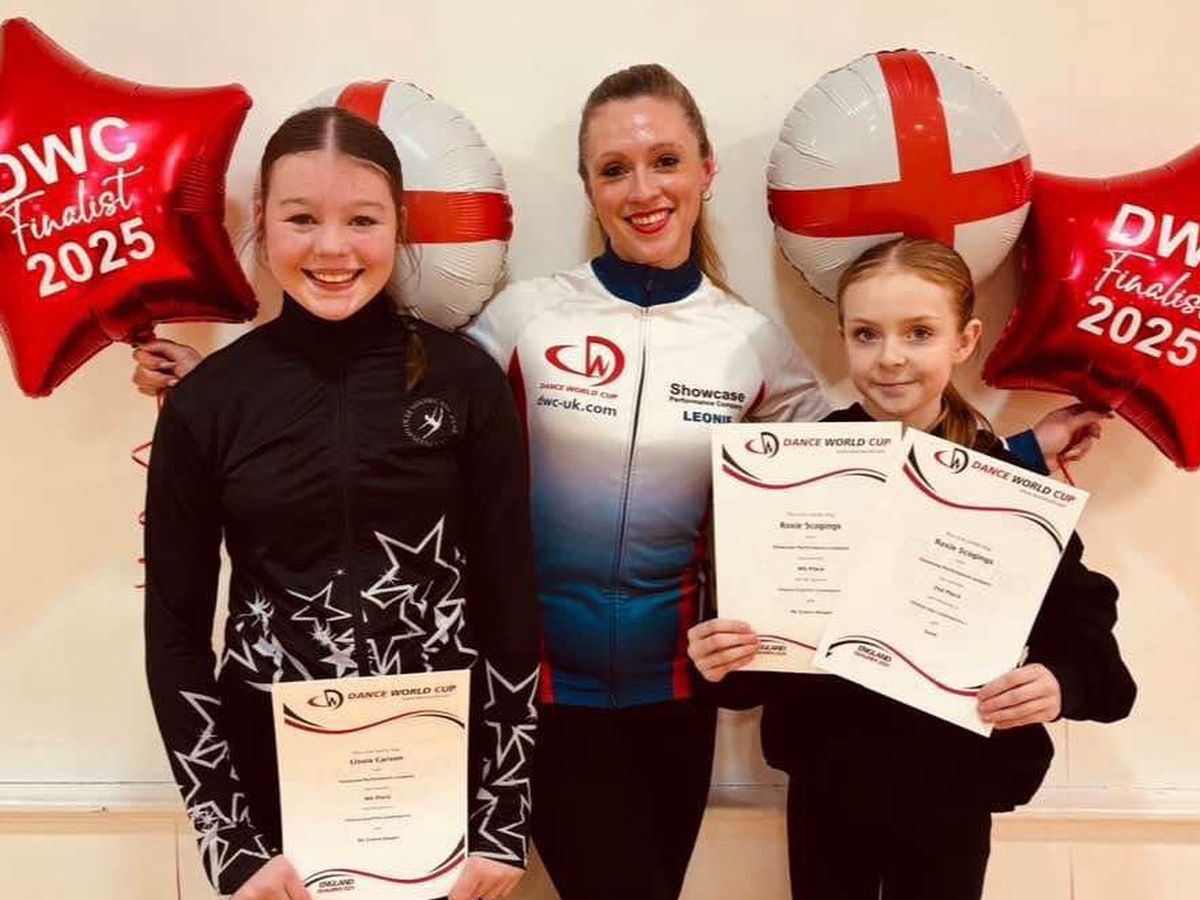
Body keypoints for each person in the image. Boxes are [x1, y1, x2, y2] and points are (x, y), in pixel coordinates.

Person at [135, 68, 1103, 900]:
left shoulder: (752, 342)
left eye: (666, 159)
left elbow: (868, 469)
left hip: (674, 700)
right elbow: (368, 400)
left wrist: (1020, 457)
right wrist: (206, 388)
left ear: (706, 170)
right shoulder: (522, 322)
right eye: (613, 168)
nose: (643, 188)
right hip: (534, 703)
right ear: (588, 186)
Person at [143, 106, 538, 900]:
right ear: (262, 221)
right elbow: (175, 633)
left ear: (399, 224)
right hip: (273, 804)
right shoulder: (209, 403)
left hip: (443, 791)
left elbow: (511, 601)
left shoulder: (466, 384)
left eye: (362, 219)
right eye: (301, 218)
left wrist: (504, 814)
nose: (332, 248)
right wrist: (230, 839)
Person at [687, 236, 1136, 900]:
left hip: (953, 793)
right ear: (843, 338)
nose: (891, 357)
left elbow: (1091, 642)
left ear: (964, 340)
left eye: (919, 333)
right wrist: (720, 655)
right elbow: (744, 675)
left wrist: (1059, 681)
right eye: (867, 334)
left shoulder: (1002, 483)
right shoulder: (789, 472)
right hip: (826, 790)